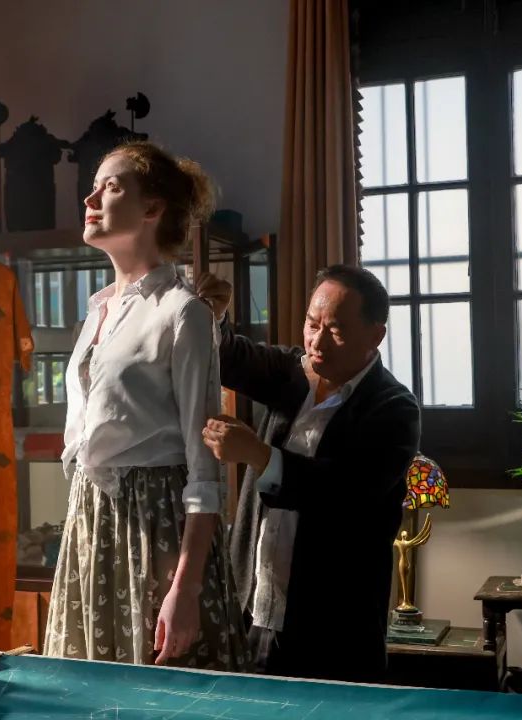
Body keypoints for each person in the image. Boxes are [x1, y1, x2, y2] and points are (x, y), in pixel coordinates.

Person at [43, 142, 248, 671]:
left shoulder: (184, 314)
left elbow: (204, 473)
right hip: (92, 519)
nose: (90, 199)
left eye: (111, 187)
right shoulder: (98, 310)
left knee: (158, 689)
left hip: (156, 526)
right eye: (94, 186)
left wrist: (186, 587)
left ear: (153, 208)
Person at [197, 265, 420, 682]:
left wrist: (259, 455)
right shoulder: (292, 372)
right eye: (312, 324)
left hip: (333, 633)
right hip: (253, 610)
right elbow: (230, 357)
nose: (317, 341)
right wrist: (216, 315)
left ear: (376, 335)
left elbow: (343, 491)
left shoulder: (394, 408)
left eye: (335, 330)